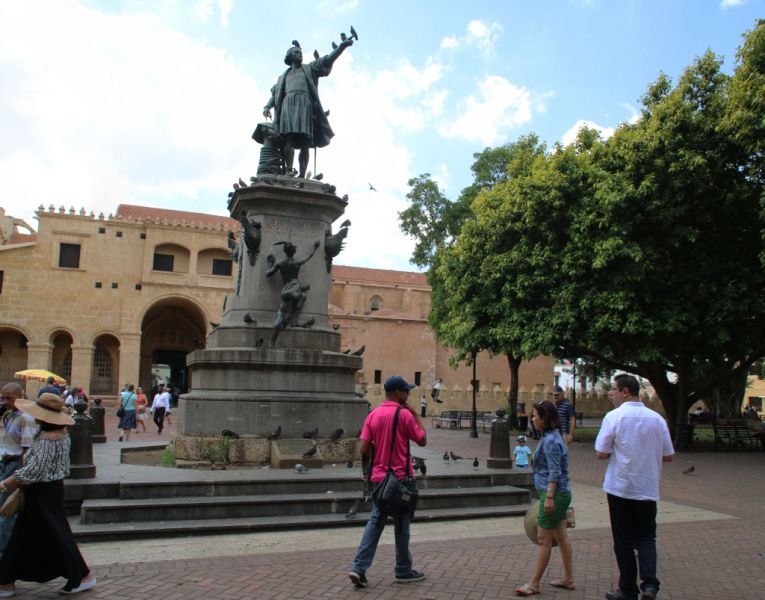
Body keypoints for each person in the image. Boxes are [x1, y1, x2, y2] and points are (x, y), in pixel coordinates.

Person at [0, 392, 96, 596]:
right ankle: (6, 579)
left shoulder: (48, 440)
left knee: (54, 532)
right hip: (50, 489)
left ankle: (82, 575)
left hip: (42, 491)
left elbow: (36, 470)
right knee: (30, 533)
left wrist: (9, 482)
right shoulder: (61, 436)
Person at [595, 374, 674, 600]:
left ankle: (628, 588)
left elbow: (600, 453)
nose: (610, 394)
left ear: (625, 392)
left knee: (623, 540)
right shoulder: (657, 419)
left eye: (613, 389)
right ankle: (649, 584)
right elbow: (668, 455)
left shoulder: (614, 417)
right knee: (647, 537)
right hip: (647, 487)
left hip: (620, 487)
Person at [349, 375, 427, 588]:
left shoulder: (373, 414)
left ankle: (358, 567)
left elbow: (364, 449)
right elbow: (422, 439)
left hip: (379, 480)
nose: (408, 395)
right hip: (401, 479)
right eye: (406, 391)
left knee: (376, 521)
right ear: (398, 393)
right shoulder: (404, 415)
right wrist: (416, 415)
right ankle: (403, 569)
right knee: (402, 523)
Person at [262, 38, 353, 178]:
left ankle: (302, 174)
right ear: (289, 56)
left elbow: (326, 60)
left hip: (305, 105)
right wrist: (267, 106)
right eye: (296, 52)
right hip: (288, 105)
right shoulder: (282, 77)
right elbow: (276, 94)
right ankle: (289, 170)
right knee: (289, 138)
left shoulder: (309, 69)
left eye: (300, 52)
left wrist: (341, 47)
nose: (300, 54)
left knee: (305, 140)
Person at [515, 400, 573, 596]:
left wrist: (549, 497)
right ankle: (568, 578)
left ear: (544, 418)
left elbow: (555, 471)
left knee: (544, 539)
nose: (532, 419)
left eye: (535, 416)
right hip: (560, 493)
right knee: (561, 535)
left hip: (555, 494)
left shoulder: (550, 441)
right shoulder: (552, 436)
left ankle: (534, 584)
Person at [0, 384, 38, 556]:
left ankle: (4, 552)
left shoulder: (26, 418)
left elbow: (26, 450)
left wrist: (20, 476)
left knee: (6, 509)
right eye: (2, 398)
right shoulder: (9, 416)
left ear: (19, 396)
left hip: (15, 465)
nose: (4, 401)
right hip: (7, 463)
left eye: (8, 398)